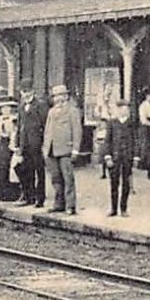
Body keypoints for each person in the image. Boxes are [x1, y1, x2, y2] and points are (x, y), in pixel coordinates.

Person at [42, 84, 84, 215]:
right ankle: (59, 204)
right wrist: (45, 148)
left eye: (61, 95)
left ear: (66, 96)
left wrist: (75, 149)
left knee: (68, 178)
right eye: (55, 96)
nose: (58, 99)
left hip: (66, 149)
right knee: (55, 179)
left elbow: (77, 131)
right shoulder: (51, 111)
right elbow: (47, 130)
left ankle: (70, 205)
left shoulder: (72, 111)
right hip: (51, 150)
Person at [100, 97, 138, 217]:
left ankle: (123, 208)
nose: (124, 111)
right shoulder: (112, 123)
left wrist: (136, 156)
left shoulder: (132, 124)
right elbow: (107, 141)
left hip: (127, 157)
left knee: (126, 183)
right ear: (118, 110)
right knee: (114, 183)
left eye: (126, 108)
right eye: (121, 108)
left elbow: (136, 140)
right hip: (115, 157)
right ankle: (113, 208)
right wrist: (107, 156)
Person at [15, 79, 48, 207]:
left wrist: (44, 144)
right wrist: (18, 145)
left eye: (28, 91)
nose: (26, 94)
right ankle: (29, 197)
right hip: (25, 145)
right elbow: (19, 127)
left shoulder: (40, 105)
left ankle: (40, 199)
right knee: (26, 170)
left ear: (33, 91)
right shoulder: (21, 107)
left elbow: (45, 125)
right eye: (24, 92)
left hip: (37, 144)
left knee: (39, 171)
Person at [0, 97, 22, 202]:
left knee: (8, 169)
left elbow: (15, 133)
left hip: (9, 145)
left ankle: (10, 195)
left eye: (7, 108)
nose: (5, 110)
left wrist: (13, 147)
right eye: (3, 108)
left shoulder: (14, 119)